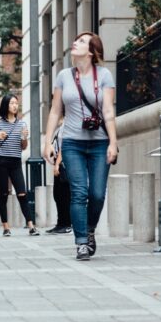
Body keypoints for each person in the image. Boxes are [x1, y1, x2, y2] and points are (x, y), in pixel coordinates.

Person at [44, 32, 118, 261]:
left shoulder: (104, 75)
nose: (75, 42)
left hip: (99, 143)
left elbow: (107, 110)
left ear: (93, 50)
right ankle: (81, 243)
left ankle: (89, 229)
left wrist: (114, 142)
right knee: (79, 192)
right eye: (76, 39)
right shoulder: (64, 76)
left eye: (82, 41)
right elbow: (56, 110)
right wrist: (47, 142)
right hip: (72, 143)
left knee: (96, 194)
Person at [0, 95, 38, 236]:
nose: (15, 106)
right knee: (4, 194)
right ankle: (6, 227)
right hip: (1, 162)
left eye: (16, 103)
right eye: (12, 103)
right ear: (6, 105)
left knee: (22, 193)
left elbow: (23, 147)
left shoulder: (22, 124)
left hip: (16, 162)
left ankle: (31, 226)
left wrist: (24, 137)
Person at [47, 123, 72, 234]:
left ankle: (67, 224)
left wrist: (58, 163)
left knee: (65, 195)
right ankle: (60, 223)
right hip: (60, 161)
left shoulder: (69, 124)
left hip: (65, 163)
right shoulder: (61, 126)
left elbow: (65, 145)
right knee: (58, 195)